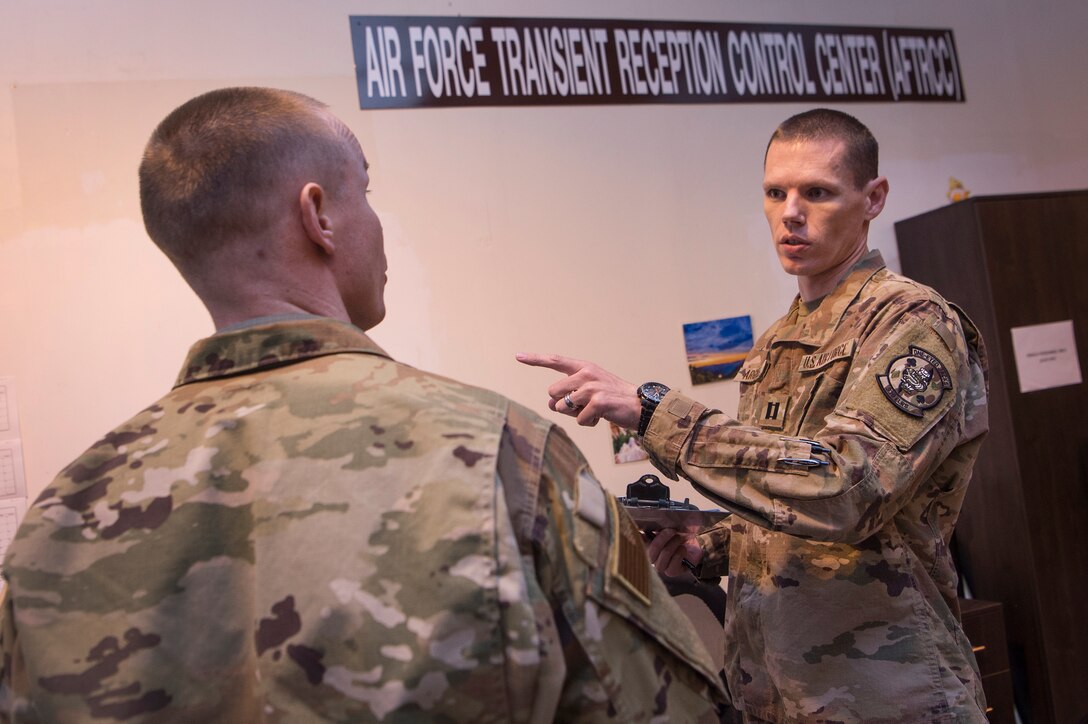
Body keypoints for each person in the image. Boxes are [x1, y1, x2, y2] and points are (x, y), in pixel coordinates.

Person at [0, 87, 727, 722]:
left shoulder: (62, 513)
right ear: (317, 215)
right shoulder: (497, 452)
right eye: (367, 193)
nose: (377, 226)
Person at [518, 109, 990, 723]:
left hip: (886, 693)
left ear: (873, 198)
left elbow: (845, 490)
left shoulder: (913, 323)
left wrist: (655, 411)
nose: (790, 212)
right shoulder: (775, 343)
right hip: (776, 690)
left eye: (817, 192)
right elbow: (781, 502)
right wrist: (705, 547)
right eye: (776, 193)